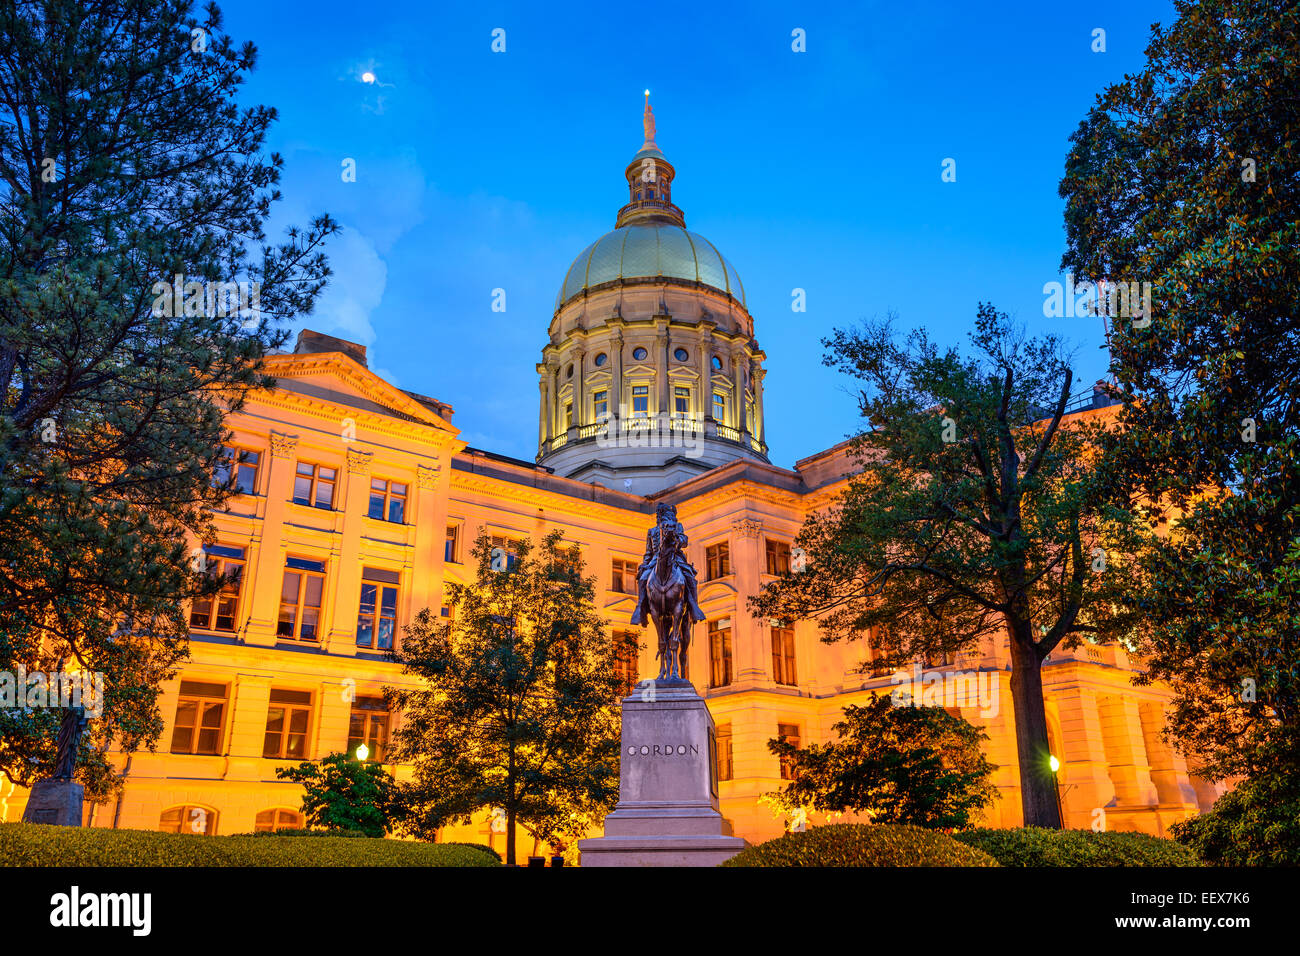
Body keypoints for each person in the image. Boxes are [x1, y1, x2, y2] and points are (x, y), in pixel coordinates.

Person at [630, 503, 705, 626]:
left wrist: (675, 538)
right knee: (643, 578)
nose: (660, 517)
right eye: (660, 514)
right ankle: (640, 608)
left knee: (689, 576)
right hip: (655, 560)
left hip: (675, 558)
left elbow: (684, 541)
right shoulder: (652, 531)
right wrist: (645, 564)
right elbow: (649, 551)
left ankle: (693, 606)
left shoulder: (677, 526)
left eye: (663, 514)